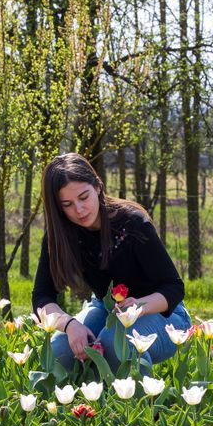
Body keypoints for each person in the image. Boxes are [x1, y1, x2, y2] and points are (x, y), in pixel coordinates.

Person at [32, 153, 191, 370]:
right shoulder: (60, 236)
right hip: (105, 309)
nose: (79, 210)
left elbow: (174, 289)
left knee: (116, 343)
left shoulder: (133, 224)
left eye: (84, 197)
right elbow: (42, 297)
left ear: (97, 186)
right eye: (67, 204)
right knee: (60, 349)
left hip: (163, 314)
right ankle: (85, 399)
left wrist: (139, 307)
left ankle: (141, 401)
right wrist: (70, 325)